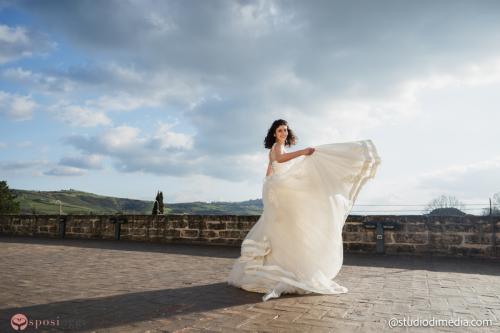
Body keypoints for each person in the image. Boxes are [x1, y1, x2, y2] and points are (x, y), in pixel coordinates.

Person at [227, 119, 381, 301]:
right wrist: (303, 153)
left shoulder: (279, 148)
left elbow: (270, 170)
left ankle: (286, 268)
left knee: (287, 231)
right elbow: (279, 160)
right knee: (285, 229)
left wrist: (270, 186)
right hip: (281, 192)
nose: (283, 133)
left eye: (285, 130)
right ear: (274, 134)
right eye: (279, 130)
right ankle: (282, 271)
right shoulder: (277, 147)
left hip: (279, 191)